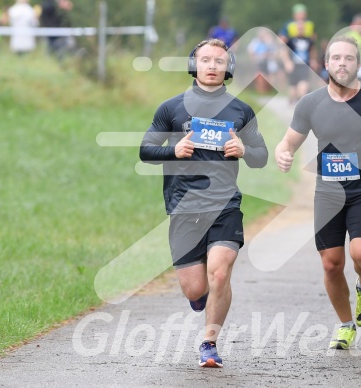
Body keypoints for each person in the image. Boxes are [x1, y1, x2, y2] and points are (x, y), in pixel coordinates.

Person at [275, 35, 361, 349]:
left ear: (358, 64)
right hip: (328, 191)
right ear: (325, 64)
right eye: (336, 58)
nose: (342, 64)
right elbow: (289, 141)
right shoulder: (311, 102)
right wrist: (284, 152)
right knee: (331, 264)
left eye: (349, 58)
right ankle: (346, 325)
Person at [139, 39, 268, 368]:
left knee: (220, 274)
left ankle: (209, 343)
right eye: (205, 60)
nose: (212, 66)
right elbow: (145, 151)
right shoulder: (171, 108)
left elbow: (260, 157)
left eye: (219, 61)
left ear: (229, 68)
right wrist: (173, 150)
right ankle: (202, 300)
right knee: (194, 287)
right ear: (193, 65)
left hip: (225, 204)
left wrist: (244, 150)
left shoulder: (241, 110)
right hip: (183, 206)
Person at [281, 19, 315, 104]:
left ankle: (302, 104)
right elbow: (284, 51)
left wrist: (313, 60)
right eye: (299, 28)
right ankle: (291, 101)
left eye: (302, 28)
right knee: (293, 91)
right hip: (294, 66)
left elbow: (312, 51)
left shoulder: (309, 40)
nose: (300, 29)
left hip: (304, 66)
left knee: (303, 87)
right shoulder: (291, 40)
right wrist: (287, 62)